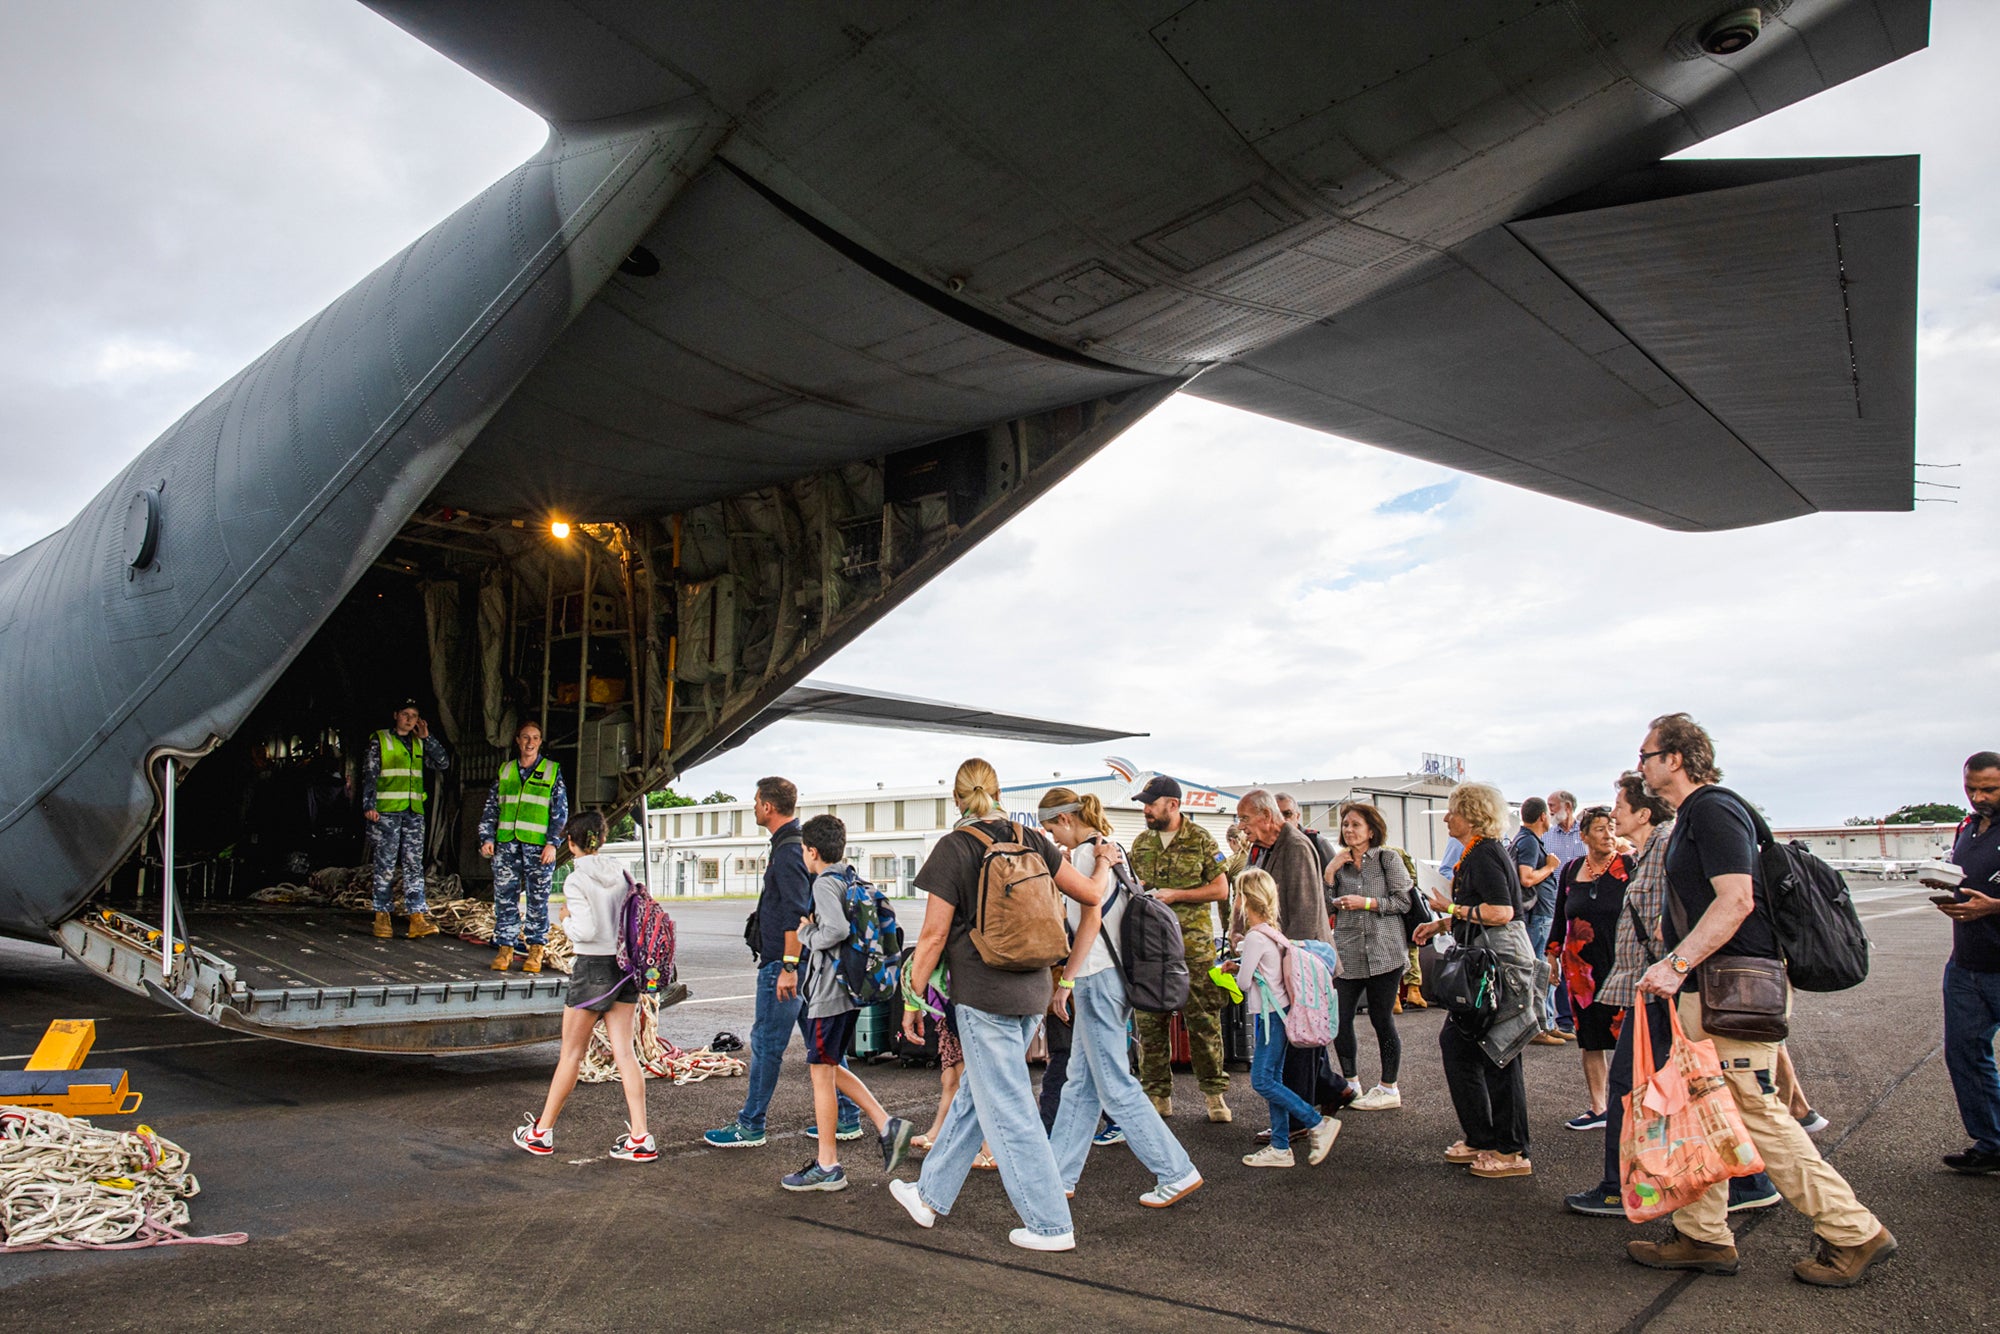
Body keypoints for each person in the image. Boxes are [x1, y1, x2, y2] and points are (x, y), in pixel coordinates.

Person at [1627, 712, 1896, 1287]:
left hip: (1733, 989)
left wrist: (1675, 964)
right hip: (1713, 989)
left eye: (1647, 755)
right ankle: (1704, 1236)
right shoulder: (1698, 815)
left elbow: (1737, 900)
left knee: (1754, 1111)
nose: (1641, 766)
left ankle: (1853, 1230)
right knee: (1704, 1110)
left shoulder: (1714, 809)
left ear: (1674, 758)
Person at [889, 759, 1113, 1252]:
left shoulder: (954, 847)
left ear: (957, 799)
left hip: (983, 994)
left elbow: (931, 937)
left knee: (1008, 1108)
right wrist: (1103, 859)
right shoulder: (1032, 838)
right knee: (979, 1094)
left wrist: (913, 997)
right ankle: (928, 1196)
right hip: (1032, 990)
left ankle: (1050, 1224)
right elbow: (1092, 896)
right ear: (997, 792)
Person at [1563, 773, 1778, 1218]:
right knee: (1678, 1089)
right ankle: (1745, 1181)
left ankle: (1620, 1187)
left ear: (1643, 813)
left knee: (1634, 1087)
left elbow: (1688, 912)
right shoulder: (1648, 851)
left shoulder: (1664, 847)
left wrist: (1674, 961)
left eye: (1620, 805)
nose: (1614, 813)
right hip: (1655, 985)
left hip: (1665, 987)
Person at [1039, 788, 1200, 1207]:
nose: (1054, 840)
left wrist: (1067, 980)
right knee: (1081, 1084)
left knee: (1112, 1084)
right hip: (1118, 976)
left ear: (1067, 820)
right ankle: (1058, 1176)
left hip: (1095, 976)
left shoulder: (1083, 857)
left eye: (1052, 829)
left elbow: (1089, 922)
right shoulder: (1113, 851)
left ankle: (1175, 1170)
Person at [705, 776, 856, 1148]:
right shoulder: (791, 845)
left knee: (767, 1044)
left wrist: (788, 967)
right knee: (819, 1046)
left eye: (756, 801)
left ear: (768, 807)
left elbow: (794, 914)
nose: (754, 807)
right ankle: (848, 1116)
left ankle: (751, 1124)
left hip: (785, 967)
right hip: (802, 966)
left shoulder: (789, 850)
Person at [781, 814, 915, 1191]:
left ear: (811, 851)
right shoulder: (848, 876)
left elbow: (835, 930)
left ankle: (828, 1165)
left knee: (821, 1072)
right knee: (828, 1066)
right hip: (850, 987)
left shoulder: (824, 882)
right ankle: (885, 1123)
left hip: (829, 990)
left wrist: (806, 933)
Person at [510, 812, 653, 1162]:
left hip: (591, 968)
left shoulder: (575, 881)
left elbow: (586, 931)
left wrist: (565, 922)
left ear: (571, 843)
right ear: (600, 840)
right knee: (625, 1053)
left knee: (571, 1055)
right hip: (624, 967)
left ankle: (541, 1133)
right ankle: (640, 1137)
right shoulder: (622, 872)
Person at [1412, 781, 1535, 1178]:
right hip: (1489, 961)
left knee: (1500, 1053)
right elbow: (1491, 909)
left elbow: (1501, 912)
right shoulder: (1480, 853)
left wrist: (1448, 907)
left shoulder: (1483, 854)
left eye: (1452, 810)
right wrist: (1442, 924)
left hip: (1498, 968)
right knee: (1462, 1044)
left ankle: (1512, 1151)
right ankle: (1482, 1137)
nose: (1446, 817)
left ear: (1472, 815)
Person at [1240, 788, 1351, 1134]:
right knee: (1302, 1038)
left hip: (1300, 963)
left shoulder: (1297, 847)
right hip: (1288, 959)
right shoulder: (1265, 848)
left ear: (1267, 817)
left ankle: (1299, 1123)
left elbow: (1304, 913)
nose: (1241, 826)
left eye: (1245, 818)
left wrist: (1288, 969)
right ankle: (1334, 1089)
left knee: (1299, 1045)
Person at [1129, 776, 1233, 1123]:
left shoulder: (1201, 839)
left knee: (1203, 1021)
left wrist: (1176, 895)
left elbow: (1220, 890)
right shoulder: (1142, 843)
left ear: (1172, 805)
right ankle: (1157, 1095)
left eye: (1151, 803)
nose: (1145, 810)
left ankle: (1214, 1095)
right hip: (1151, 948)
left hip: (1193, 947)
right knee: (1150, 1023)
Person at [1231, 868, 1341, 1168]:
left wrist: (1238, 970)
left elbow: (1242, 984)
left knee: (1262, 1080)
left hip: (1269, 1017)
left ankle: (1316, 1122)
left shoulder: (1254, 936)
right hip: (1282, 1013)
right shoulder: (1273, 932)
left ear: (1244, 899)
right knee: (1274, 1077)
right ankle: (1280, 1147)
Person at [1936, 750, 2000, 1173]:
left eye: (1989, 789)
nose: (1978, 797)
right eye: (1971, 788)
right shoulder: (1968, 828)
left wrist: (1994, 906)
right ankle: (1993, 1142)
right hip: (1967, 965)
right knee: (1964, 1054)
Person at [1324, 802, 1412, 1110]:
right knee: (1340, 1019)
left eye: (1356, 825)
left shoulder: (1388, 858)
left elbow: (1403, 902)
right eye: (1345, 825)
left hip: (1385, 950)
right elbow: (1324, 907)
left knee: (1381, 1018)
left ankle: (1389, 1087)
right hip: (1347, 951)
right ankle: (1351, 1083)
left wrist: (1367, 903)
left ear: (1371, 830)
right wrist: (1330, 871)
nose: (1349, 830)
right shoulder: (1340, 864)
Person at [1549, 805, 1630, 1132]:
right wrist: (1552, 954)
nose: (1608, 834)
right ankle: (1599, 1107)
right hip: (1581, 971)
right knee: (1591, 1039)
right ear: (1583, 835)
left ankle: (1630, 1106)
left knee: (1628, 1036)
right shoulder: (1570, 871)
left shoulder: (1630, 866)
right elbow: (1560, 916)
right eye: (1600, 829)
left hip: (1622, 965)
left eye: (1612, 828)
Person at [478, 720, 568, 973]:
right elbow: (492, 807)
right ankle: (505, 947)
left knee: (537, 899)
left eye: (535, 738)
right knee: (505, 898)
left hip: (538, 847)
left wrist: (553, 843)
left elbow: (559, 813)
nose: (530, 743)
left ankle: (536, 950)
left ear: (540, 742)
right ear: (517, 740)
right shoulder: (506, 770)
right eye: (526, 737)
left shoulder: (552, 771)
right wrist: (487, 837)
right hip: (507, 845)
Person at [361, 697, 451, 940]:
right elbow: (370, 773)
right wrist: (369, 805)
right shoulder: (380, 739)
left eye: (414, 715)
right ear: (396, 715)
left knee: (414, 866)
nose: (409, 719)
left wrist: (427, 738)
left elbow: (443, 762)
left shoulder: (419, 742)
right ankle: (382, 916)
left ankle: (416, 918)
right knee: (385, 865)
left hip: (413, 813)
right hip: (387, 811)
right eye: (405, 714)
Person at [1510, 796, 1563, 1044]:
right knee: (1540, 969)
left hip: (1540, 913)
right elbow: (1527, 878)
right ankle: (1538, 1027)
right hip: (1538, 913)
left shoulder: (1524, 840)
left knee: (1544, 969)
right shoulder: (1529, 843)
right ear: (1543, 816)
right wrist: (1551, 867)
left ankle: (1548, 1022)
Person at [1544, 790, 1586, 1036]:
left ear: (1567, 807)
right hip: (1555, 905)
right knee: (1555, 959)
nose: (1549, 810)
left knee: (1583, 960)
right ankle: (1565, 1018)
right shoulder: (1547, 837)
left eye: (1552, 805)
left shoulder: (1586, 834)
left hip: (1583, 907)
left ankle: (1582, 1013)